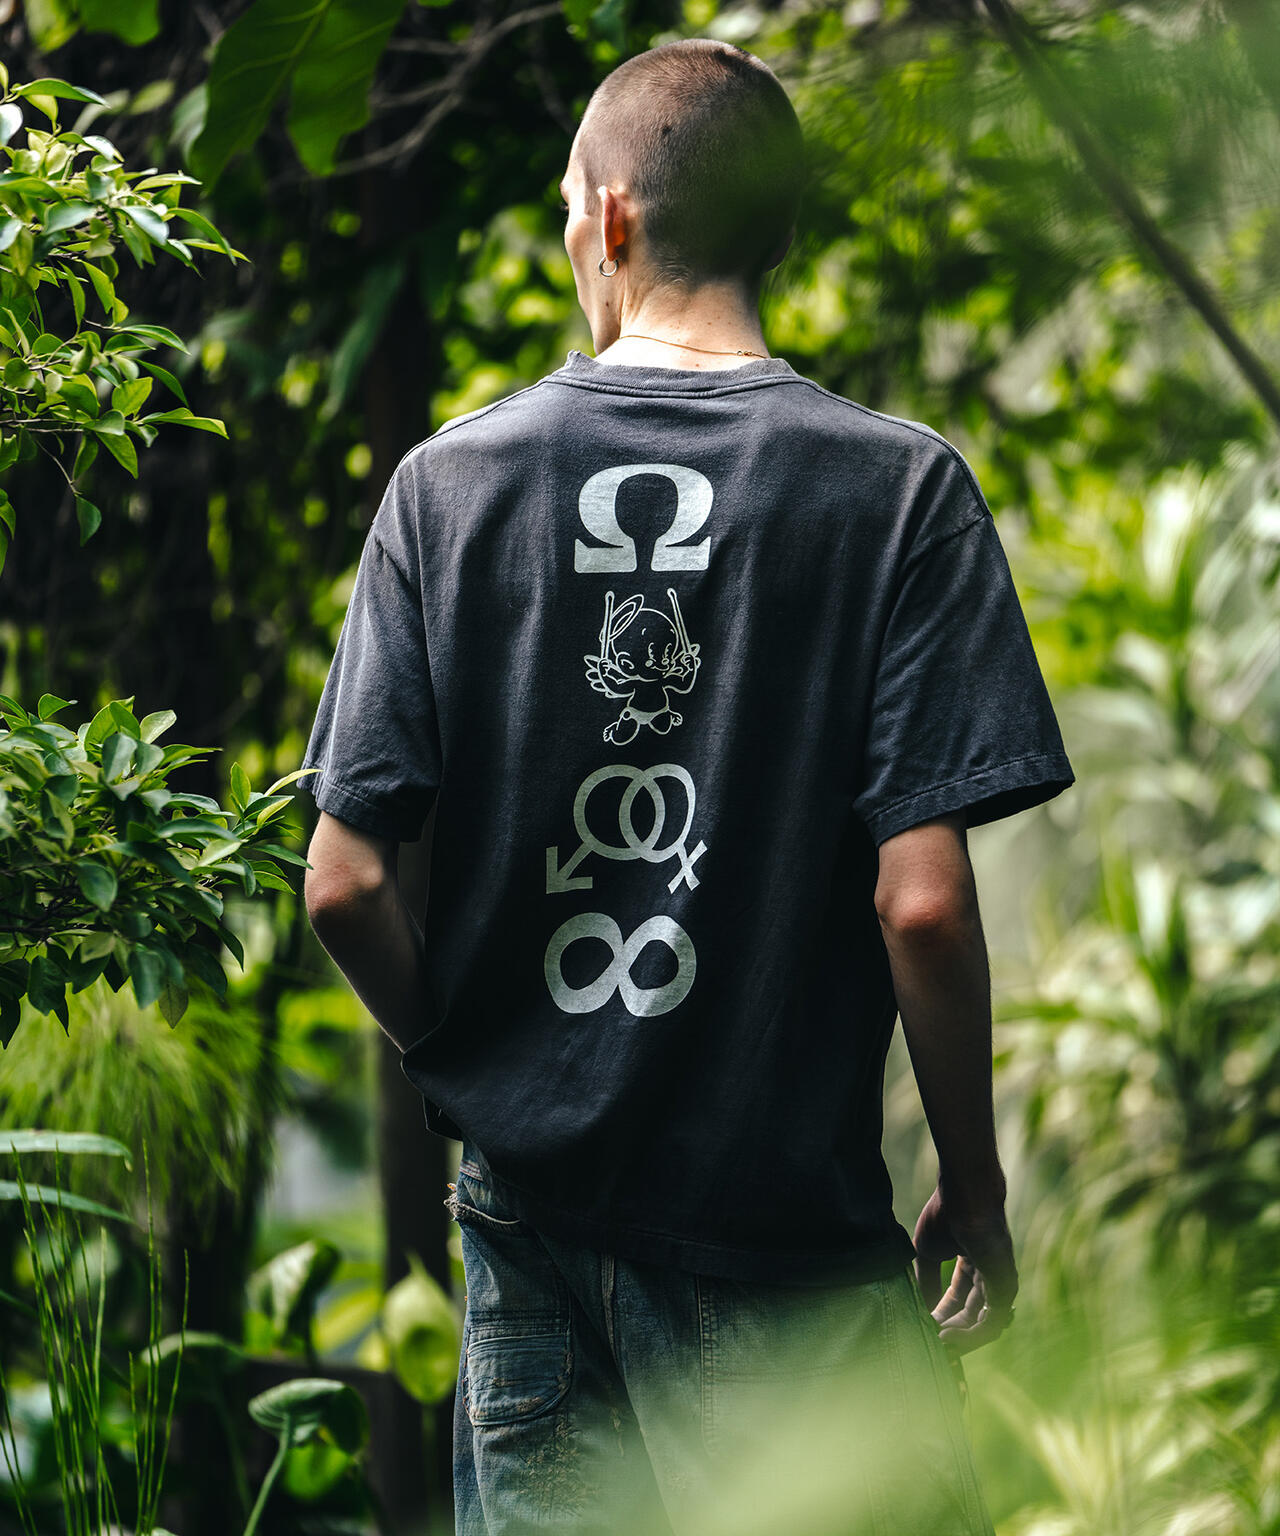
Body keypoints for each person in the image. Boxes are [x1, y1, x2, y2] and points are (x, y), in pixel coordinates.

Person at [301, 37, 1074, 1536]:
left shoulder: (447, 488)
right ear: (774, 234)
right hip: (785, 1240)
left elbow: (343, 884)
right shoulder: (897, 492)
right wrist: (973, 1189)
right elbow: (922, 907)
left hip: (529, 1229)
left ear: (610, 220)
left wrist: (469, 1065)